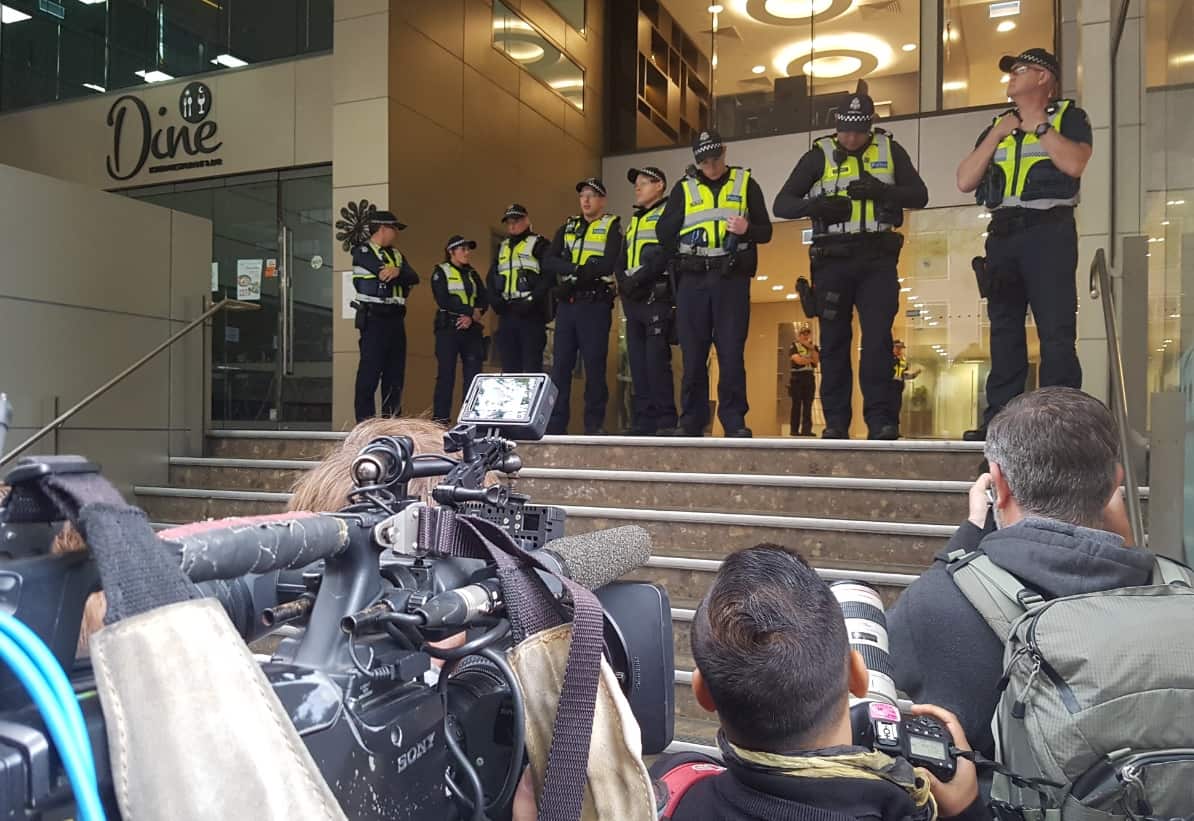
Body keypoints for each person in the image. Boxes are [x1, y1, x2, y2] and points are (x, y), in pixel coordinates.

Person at [887, 387, 1149, 760]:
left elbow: (873, 666)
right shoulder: (1174, 591)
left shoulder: (937, 605)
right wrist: (1126, 546)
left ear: (999, 483)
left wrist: (971, 532)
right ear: (1115, 483)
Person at [648, 543, 989, 821]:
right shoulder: (906, 810)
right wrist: (966, 810)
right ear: (858, 674)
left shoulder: (670, 792)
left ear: (701, 692)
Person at [774, 93, 928, 440]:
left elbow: (919, 195)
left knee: (876, 342)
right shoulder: (820, 153)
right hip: (833, 261)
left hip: (877, 259)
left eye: (857, 132)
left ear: (869, 126)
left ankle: (881, 421)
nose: (850, 139)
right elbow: (782, 203)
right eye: (844, 131)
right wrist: (818, 205)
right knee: (833, 343)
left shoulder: (890, 150)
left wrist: (881, 192)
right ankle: (836, 422)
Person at [956, 49, 1092, 442]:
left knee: (1055, 330)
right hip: (1003, 234)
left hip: (1049, 231)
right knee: (1004, 330)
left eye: (1021, 70)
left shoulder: (1069, 117)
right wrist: (999, 133)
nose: (1012, 77)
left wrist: (1040, 126)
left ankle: (1060, 424)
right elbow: (965, 180)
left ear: (1045, 78)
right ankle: (1000, 420)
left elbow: (1075, 164)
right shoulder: (997, 125)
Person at [656, 130, 773, 438]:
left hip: (730, 278)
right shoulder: (685, 188)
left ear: (725, 152)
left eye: (715, 158)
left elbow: (766, 231)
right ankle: (692, 420)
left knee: (731, 352)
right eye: (704, 161)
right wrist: (682, 255)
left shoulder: (745, 183)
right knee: (693, 354)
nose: (710, 165)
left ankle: (734, 420)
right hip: (693, 278)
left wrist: (747, 229)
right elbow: (664, 231)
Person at [544, 178, 623, 435]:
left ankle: (594, 425)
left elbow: (608, 262)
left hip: (594, 305)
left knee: (595, 367)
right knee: (560, 368)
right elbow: (549, 261)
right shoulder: (567, 227)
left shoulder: (612, 225)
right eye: (582, 196)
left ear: (602, 200)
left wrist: (577, 273)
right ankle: (555, 425)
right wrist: (577, 269)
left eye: (592, 195)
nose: (586, 200)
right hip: (568, 306)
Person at [618, 166, 678, 436]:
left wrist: (641, 278)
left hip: (656, 295)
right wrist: (624, 284)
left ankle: (665, 421)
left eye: (644, 183)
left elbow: (666, 252)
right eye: (636, 184)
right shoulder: (635, 220)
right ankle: (643, 421)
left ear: (660, 186)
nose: (638, 188)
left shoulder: (667, 213)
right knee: (637, 364)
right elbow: (623, 257)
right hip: (634, 301)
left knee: (656, 362)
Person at [351, 210, 420, 422]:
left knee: (394, 377)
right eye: (394, 229)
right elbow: (383, 274)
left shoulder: (397, 255)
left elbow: (413, 277)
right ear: (382, 228)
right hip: (374, 320)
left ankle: (392, 425)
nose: (396, 234)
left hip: (396, 321)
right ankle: (366, 425)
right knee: (369, 376)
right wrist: (397, 274)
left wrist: (398, 272)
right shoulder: (363, 250)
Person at [488, 203, 552, 373]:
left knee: (531, 368)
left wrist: (531, 300)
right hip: (507, 313)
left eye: (516, 220)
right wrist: (495, 300)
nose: (512, 225)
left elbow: (548, 277)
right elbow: (491, 276)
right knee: (509, 368)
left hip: (531, 315)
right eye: (509, 221)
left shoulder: (539, 244)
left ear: (526, 220)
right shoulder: (502, 247)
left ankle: (532, 400)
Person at [431, 235, 488, 425]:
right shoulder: (441, 271)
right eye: (462, 249)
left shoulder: (472, 273)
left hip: (470, 329)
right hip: (449, 328)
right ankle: (440, 421)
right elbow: (443, 299)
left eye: (468, 249)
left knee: (473, 377)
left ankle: (471, 422)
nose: (467, 253)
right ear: (451, 252)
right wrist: (469, 312)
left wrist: (471, 317)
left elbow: (484, 298)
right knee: (446, 375)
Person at [788, 323, 819, 436]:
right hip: (797, 377)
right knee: (796, 404)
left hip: (809, 377)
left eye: (807, 334)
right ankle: (794, 430)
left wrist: (810, 353)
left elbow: (816, 361)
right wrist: (809, 358)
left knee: (808, 404)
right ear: (799, 336)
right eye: (803, 334)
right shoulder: (794, 346)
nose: (805, 336)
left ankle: (806, 430)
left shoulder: (813, 347)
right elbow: (798, 361)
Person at [890, 339, 921, 426]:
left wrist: (914, 374)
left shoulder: (903, 360)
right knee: (889, 408)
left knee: (896, 408)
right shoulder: (888, 359)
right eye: (897, 347)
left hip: (898, 388)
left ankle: (895, 427)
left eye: (901, 348)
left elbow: (903, 375)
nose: (899, 350)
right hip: (888, 388)